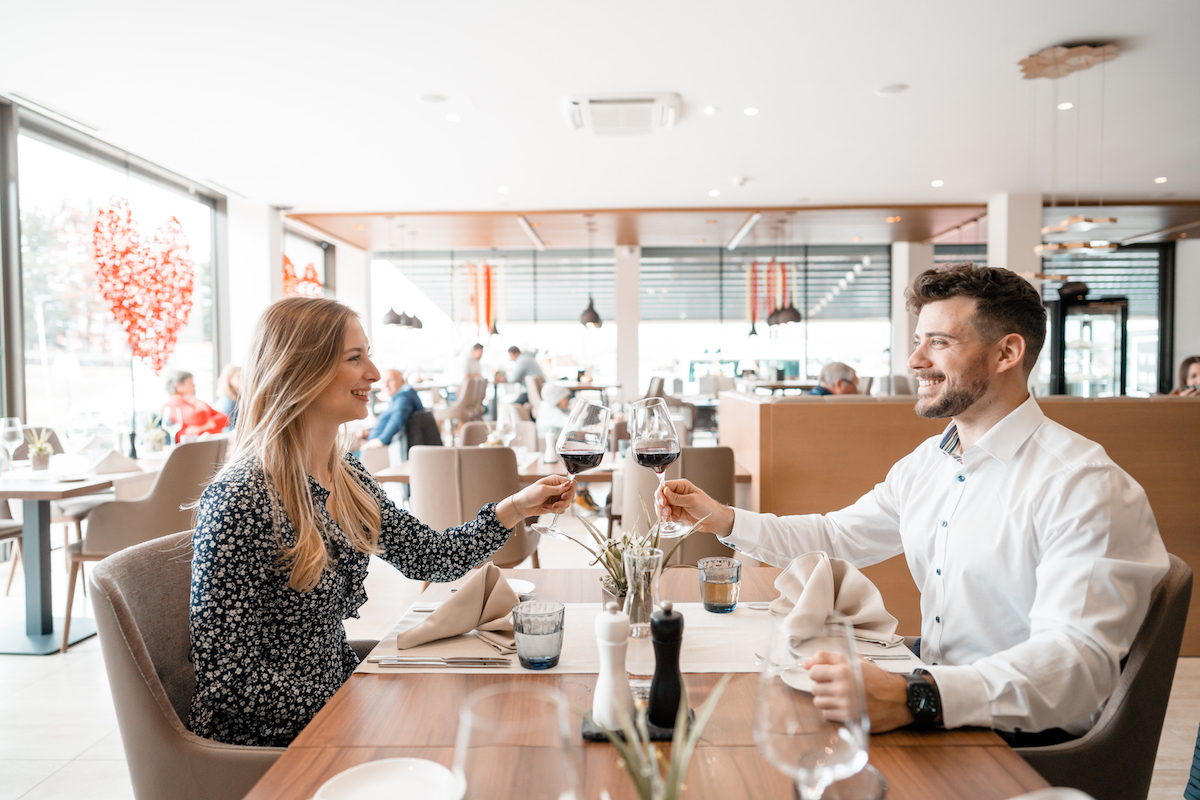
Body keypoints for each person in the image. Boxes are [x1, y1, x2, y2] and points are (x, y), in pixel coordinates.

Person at [656, 262, 1169, 743]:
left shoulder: (1083, 485)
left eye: (939, 343)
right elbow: (838, 536)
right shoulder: (932, 460)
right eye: (919, 341)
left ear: (1007, 353)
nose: (915, 361)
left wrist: (917, 697)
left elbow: (1074, 667)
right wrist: (722, 518)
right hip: (935, 691)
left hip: (1018, 735)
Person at [188, 297, 574, 747]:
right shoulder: (240, 498)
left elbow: (432, 557)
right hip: (274, 744)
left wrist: (518, 506)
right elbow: (228, 680)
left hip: (339, 708)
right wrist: (357, 703)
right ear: (300, 370)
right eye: (355, 358)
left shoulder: (346, 475)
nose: (373, 373)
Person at [361, 369, 423, 450]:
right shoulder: (400, 396)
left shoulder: (403, 398)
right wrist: (370, 431)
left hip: (377, 451)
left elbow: (398, 419)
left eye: (390, 380)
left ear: (402, 381)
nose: (386, 385)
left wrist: (381, 441)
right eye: (383, 382)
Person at [162, 370, 228, 441]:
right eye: (190, 382)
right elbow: (200, 417)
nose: (194, 385)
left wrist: (205, 426)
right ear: (178, 385)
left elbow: (225, 418)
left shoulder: (194, 402)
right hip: (194, 448)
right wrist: (199, 404)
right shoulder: (172, 405)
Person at [215, 364, 240, 430]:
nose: (243, 380)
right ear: (229, 379)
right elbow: (226, 428)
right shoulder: (227, 402)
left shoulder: (237, 399)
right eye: (239, 377)